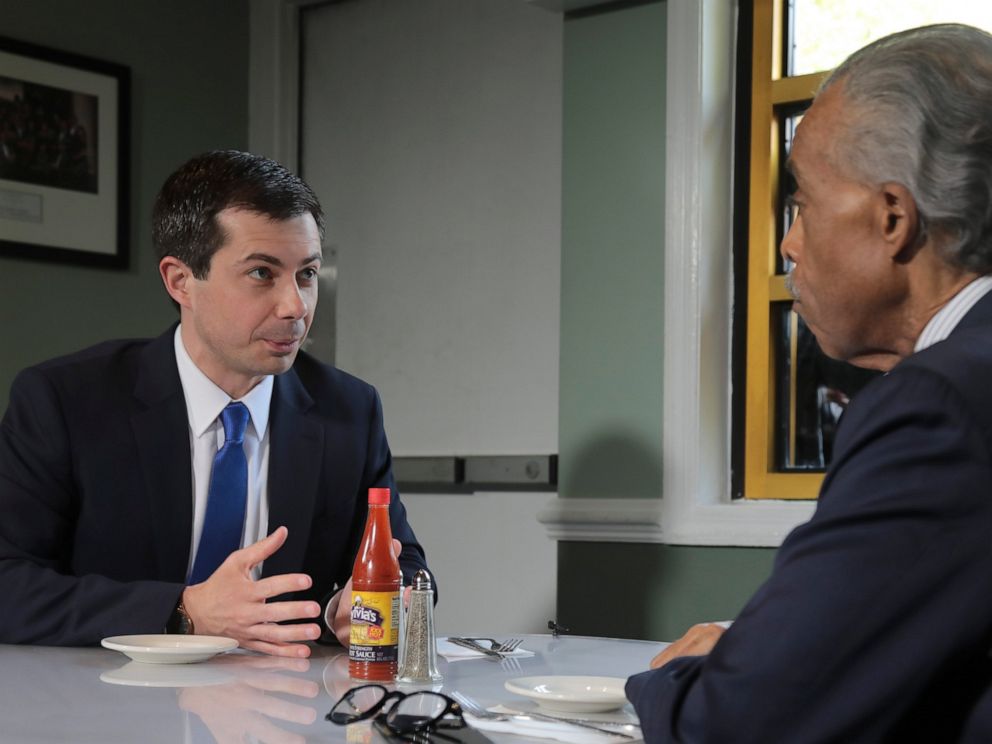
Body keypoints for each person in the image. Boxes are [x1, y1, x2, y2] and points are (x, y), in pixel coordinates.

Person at [626, 24, 992, 742]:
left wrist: (669, 679)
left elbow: (740, 722)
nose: (789, 244)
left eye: (802, 205)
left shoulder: (937, 405)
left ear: (893, 217)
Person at [0, 149, 431, 658]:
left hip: (283, 711)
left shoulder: (349, 410)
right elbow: (9, 584)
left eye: (307, 274)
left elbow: (408, 569)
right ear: (181, 281)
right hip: (109, 701)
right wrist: (185, 610)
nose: (295, 306)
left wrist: (357, 602)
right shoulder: (65, 401)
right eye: (261, 274)